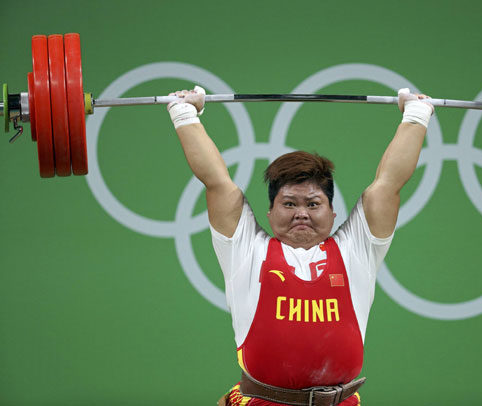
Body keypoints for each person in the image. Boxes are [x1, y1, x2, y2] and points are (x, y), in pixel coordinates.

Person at [167, 87, 434, 406]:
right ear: (270, 212)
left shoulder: (356, 250)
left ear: (333, 212)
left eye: (313, 203)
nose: (302, 213)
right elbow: (216, 181)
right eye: (289, 203)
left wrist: (416, 114)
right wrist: (184, 113)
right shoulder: (246, 249)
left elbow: (389, 183)